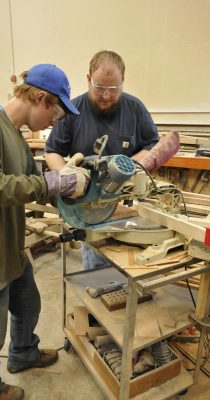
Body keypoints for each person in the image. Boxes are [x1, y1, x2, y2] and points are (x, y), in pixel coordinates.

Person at [0, 64, 90, 400]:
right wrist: (54, 181)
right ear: (39, 97)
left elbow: (36, 187)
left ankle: (23, 353)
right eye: (56, 110)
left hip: (9, 243)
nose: (56, 121)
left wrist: (69, 184)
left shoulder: (18, 138)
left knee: (28, 304)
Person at [45, 50, 162, 270]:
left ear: (123, 82)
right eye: (99, 88)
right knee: (96, 258)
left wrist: (129, 166)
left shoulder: (135, 108)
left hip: (127, 198)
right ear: (88, 79)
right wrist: (67, 176)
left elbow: (153, 145)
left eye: (113, 89)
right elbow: (52, 151)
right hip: (88, 201)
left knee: (131, 259)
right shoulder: (73, 110)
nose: (106, 96)